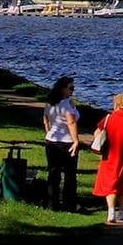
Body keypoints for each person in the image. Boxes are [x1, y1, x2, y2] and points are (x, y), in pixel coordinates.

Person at [91, 91, 123, 223]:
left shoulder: (108, 118)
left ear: (116, 103)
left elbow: (97, 132)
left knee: (110, 182)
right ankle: (121, 211)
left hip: (110, 155)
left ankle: (111, 211)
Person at [41, 76, 81, 212]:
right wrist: (76, 141)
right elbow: (71, 122)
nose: (73, 91)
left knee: (53, 173)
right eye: (71, 88)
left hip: (51, 141)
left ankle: (52, 203)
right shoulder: (66, 104)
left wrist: (49, 132)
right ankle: (70, 203)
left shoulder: (50, 103)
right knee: (70, 175)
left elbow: (45, 120)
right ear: (63, 89)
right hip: (66, 142)